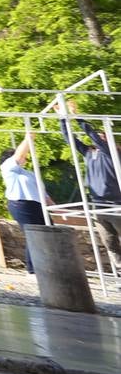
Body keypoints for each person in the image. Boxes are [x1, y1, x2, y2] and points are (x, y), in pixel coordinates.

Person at [61, 100, 121, 268]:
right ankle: (119, 268)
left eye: (104, 136)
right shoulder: (89, 153)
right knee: (109, 240)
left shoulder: (112, 154)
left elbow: (93, 135)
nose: (100, 138)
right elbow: (69, 139)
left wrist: (76, 116)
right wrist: (63, 118)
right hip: (98, 204)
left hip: (116, 204)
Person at [0, 134, 53, 273]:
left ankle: (47, 265)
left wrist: (54, 206)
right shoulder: (7, 167)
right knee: (34, 234)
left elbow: (43, 193)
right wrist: (28, 139)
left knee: (48, 231)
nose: (25, 158)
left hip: (36, 204)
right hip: (21, 204)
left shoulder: (28, 173)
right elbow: (18, 156)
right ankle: (33, 268)